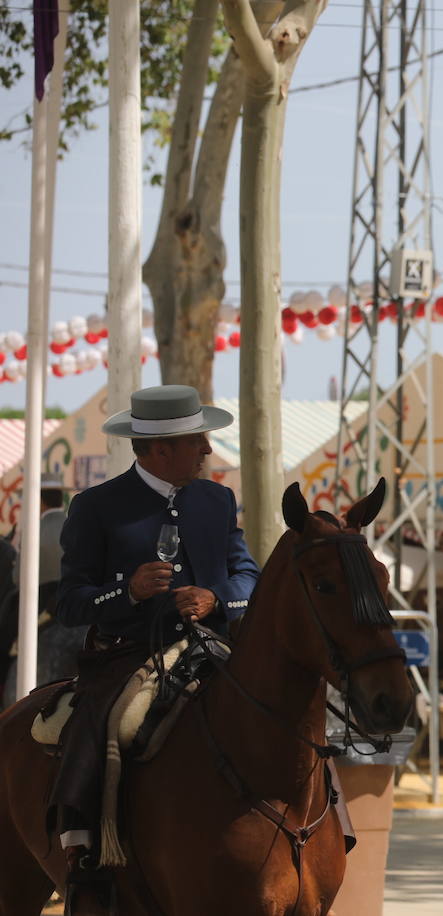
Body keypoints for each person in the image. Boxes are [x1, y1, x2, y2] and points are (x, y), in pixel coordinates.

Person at [51, 385, 260, 913]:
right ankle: (85, 849)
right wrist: (128, 591)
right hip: (129, 653)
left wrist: (217, 599)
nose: (209, 450)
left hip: (214, 646)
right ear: (162, 448)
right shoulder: (96, 507)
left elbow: (248, 576)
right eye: (199, 440)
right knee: (107, 724)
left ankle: (325, 829)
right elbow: (70, 601)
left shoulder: (217, 498)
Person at [2, 473, 81, 705]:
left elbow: (18, 577)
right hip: (75, 601)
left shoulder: (35, 529)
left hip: (42, 601)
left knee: (5, 636)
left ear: (39, 501)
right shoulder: (73, 525)